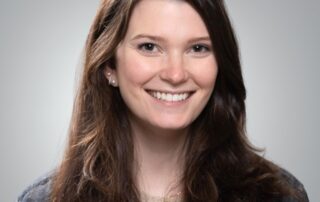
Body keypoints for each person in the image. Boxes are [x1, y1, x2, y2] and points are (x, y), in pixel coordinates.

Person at [18, 0, 309, 201]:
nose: (175, 73)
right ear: (109, 65)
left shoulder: (278, 195)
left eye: (198, 48)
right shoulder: (45, 200)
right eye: (149, 47)